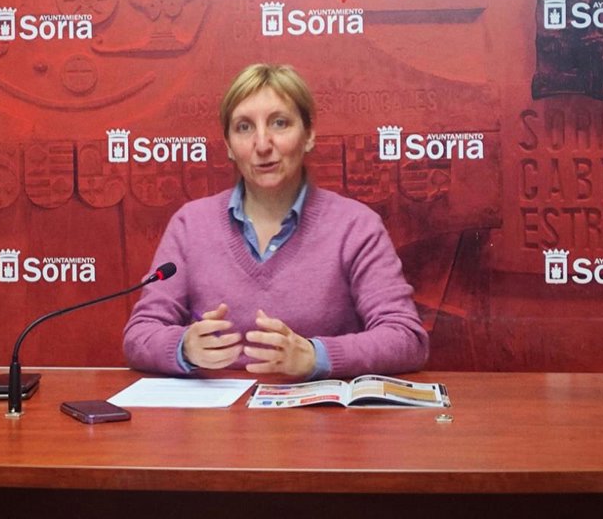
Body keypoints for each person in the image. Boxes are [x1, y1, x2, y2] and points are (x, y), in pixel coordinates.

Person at [122, 64, 428, 379]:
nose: (262, 144)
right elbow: (140, 334)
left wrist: (314, 356)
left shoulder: (356, 226)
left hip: (319, 409)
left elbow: (406, 338)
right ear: (228, 146)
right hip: (218, 409)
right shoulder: (191, 224)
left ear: (309, 134)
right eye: (244, 127)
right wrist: (184, 346)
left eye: (279, 123)